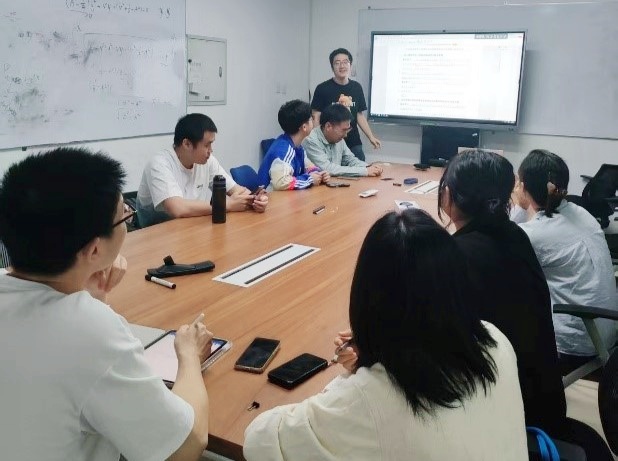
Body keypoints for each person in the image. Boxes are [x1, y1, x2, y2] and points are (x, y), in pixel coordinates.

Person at [244, 209, 527, 461]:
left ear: (366, 298)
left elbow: (259, 440)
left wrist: (357, 374)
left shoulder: (370, 399)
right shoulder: (496, 339)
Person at [0, 147, 213, 461]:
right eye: (125, 215)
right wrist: (189, 355)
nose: (128, 218)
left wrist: (89, 295)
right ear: (94, 251)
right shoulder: (89, 330)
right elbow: (187, 446)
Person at [439, 149, 613, 460]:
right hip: (564, 366)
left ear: (448, 196)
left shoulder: (463, 256)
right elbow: (508, 225)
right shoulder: (557, 220)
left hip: (557, 356)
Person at [513, 149, 617, 373]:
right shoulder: (581, 212)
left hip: (576, 344)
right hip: (605, 331)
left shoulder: (534, 234)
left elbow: (503, 242)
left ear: (523, 187)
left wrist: (520, 206)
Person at [137, 113, 268, 227]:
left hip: (190, 225)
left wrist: (256, 199)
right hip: (156, 232)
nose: (211, 150)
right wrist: (226, 205)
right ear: (187, 144)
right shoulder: (159, 164)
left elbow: (236, 190)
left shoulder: (207, 160)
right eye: (207, 145)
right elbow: (177, 208)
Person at [311, 47, 381, 161]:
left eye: (345, 62)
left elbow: (359, 115)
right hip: (330, 142)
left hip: (353, 141)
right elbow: (316, 116)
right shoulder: (322, 88)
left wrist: (371, 137)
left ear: (350, 65)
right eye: (337, 63)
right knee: (331, 170)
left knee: (361, 167)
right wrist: (318, 140)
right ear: (332, 67)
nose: (342, 66)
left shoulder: (356, 87)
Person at [257, 100, 330, 190]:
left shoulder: (297, 146)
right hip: (271, 197)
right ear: (304, 127)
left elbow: (308, 166)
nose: (314, 122)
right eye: (311, 119)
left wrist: (319, 174)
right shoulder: (284, 150)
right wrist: (310, 179)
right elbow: (281, 182)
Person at [303, 104, 383, 178]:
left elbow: (350, 160)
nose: (345, 135)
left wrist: (368, 167)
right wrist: (364, 171)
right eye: (344, 130)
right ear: (328, 126)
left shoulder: (338, 139)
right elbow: (327, 168)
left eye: (347, 130)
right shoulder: (311, 140)